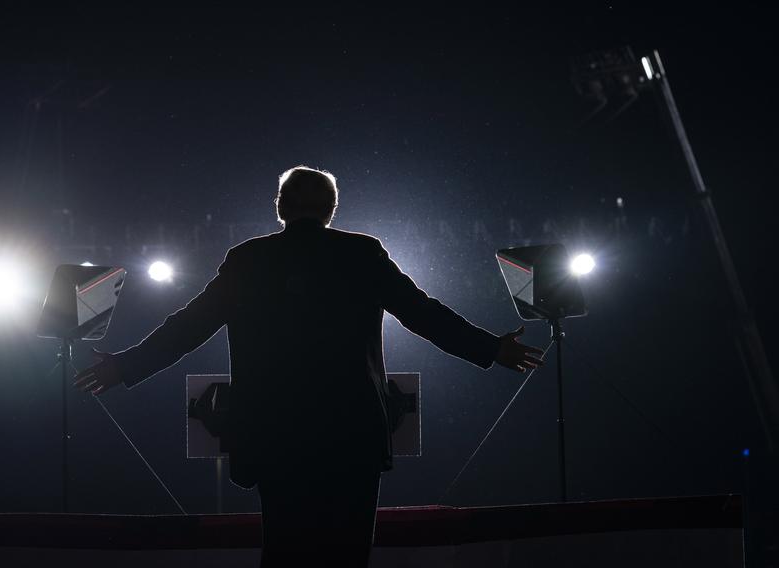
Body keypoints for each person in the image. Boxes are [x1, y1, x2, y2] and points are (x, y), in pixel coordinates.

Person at [72, 166, 544, 567]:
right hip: (351, 431)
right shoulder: (362, 253)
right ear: (331, 208)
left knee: (285, 552)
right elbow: (423, 314)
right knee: (348, 554)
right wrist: (490, 349)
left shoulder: (248, 260)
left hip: (276, 435)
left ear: (280, 205)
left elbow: (188, 327)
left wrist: (125, 366)